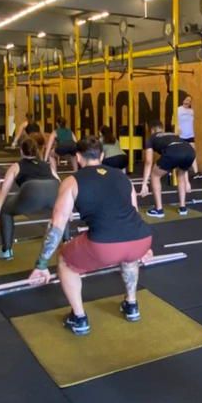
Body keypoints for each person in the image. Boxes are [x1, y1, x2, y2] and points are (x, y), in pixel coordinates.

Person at [28, 137, 153, 335]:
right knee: (129, 258)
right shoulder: (123, 177)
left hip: (105, 246)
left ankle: (79, 318)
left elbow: (57, 225)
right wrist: (144, 248)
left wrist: (41, 264)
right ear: (102, 156)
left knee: (65, 260)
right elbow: (134, 214)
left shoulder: (71, 181)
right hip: (141, 238)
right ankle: (131, 305)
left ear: (78, 157)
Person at [0, 135, 60, 259]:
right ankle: (67, 241)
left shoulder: (16, 166)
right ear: (36, 150)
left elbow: (4, 191)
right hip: (53, 189)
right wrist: (68, 209)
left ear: (21, 151)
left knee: (5, 211)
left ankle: (6, 251)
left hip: (32, 190)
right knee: (60, 212)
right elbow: (59, 182)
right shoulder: (46, 165)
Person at [138, 120, 195, 218]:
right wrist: (187, 182)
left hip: (174, 152)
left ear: (151, 130)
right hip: (190, 151)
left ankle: (159, 210)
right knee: (180, 175)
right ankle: (183, 208)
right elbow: (181, 150)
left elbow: (148, 161)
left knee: (155, 175)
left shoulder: (151, 138)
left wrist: (144, 184)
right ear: (162, 128)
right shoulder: (173, 134)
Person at [177, 94, 202, 179]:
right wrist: (177, 129)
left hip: (190, 135)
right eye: (187, 100)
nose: (188, 102)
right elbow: (173, 121)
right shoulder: (178, 110)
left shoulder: (191, 111)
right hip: (181, 135)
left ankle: (196, 172)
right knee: (182, 154)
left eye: (190, 100)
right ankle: (182, 172)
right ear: (183, 100)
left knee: (192, 153)